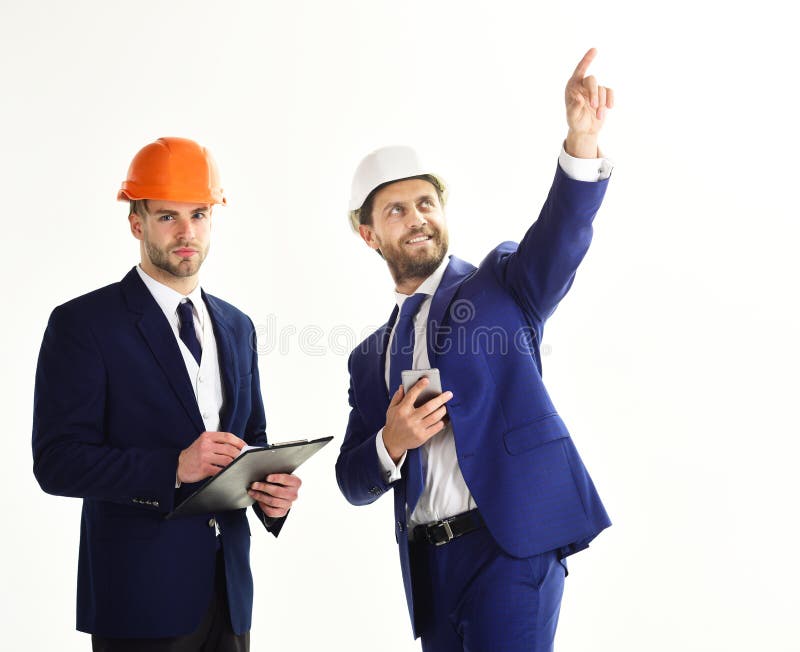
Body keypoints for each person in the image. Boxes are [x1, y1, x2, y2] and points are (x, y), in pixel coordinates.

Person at [335, 49, 614, 651]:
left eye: (426, 203)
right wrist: (392, 442)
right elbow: (352, 479)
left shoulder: (500, 284)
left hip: (510, 546)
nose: (417, 219)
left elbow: (560, 239)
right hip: (430, 571)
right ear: (369, 233)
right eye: (397, 210)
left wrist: (581, 145)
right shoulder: (368, 357)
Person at [32, 136, 301, 651]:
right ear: (137, 223)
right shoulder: (83, 325)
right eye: (167, 217)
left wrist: (272, 494)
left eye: (199, 215)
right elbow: (57, 461)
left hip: (229, 594)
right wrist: (172, 467)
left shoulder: (237, 326)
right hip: (137, 600)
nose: (186, 233)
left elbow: (252, 440)